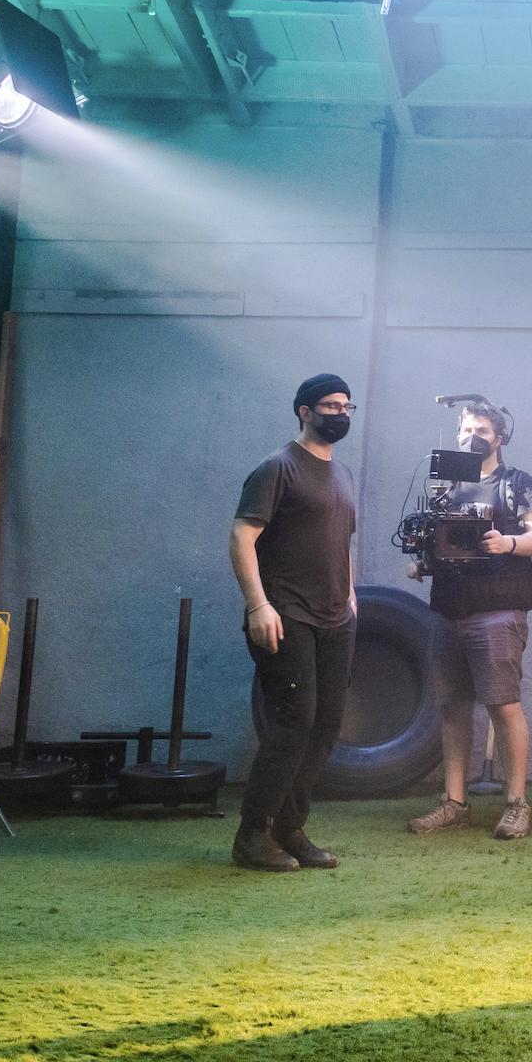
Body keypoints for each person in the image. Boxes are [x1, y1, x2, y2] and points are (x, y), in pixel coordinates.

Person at [228, 373, 360, 873]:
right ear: (305, 411)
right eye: (330, 405)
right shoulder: (277, 468)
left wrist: (350, 601)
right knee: (292, 724)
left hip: (334, 619)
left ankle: (289, 828)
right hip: (285, 614)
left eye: (347, 405)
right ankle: (252, 835)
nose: (340, 413)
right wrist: (258, 605)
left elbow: (340, 544)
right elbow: (242, 536)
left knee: (325, 726)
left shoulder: (342, 474)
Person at [407, 400, 532, 841]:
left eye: (484, 430)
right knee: (451, 707)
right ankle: (454, 802)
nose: (474, 437)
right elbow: (436, 543)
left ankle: (515, 804)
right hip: (447, 607)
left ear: (500, 438)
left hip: (497, 610)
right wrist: (422, 561)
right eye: (467, 429)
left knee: (503, 706)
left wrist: (505, 543)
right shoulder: (446, 488)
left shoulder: (516, 483)